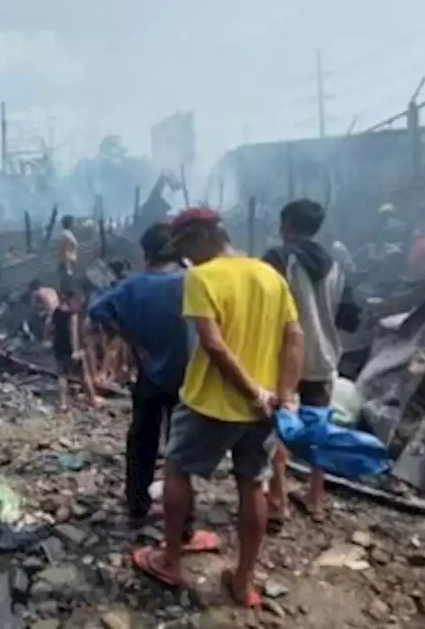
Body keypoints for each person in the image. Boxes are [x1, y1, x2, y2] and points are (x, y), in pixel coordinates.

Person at [131, 207, 303, 610]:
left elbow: (213, 343)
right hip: (261, 411)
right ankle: (242, 583)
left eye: (188, 243)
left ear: (206, 235)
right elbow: (294, 337)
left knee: (177, 471)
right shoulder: (269, 274)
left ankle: (170, 560)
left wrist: (250, 391)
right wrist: (284, 394)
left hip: (212, 402)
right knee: (253, 485)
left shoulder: (202, 277)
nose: (187, 255)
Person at [261, 199, 362, 529]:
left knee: (280, 426)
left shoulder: (277, 258)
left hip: (286, 357)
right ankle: (314, 498)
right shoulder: (336, 264)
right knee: (319, 428)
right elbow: (350, 317)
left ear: (288, 225)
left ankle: (277, 499)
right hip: (324, 358)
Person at [88, 223, 191, 523]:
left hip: (148, 372)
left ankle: (137, 504)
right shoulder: (190, 281)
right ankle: (183, 518)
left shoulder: (133, 285)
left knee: (142, 440)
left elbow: (99, 311)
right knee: (180, 446)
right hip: (187, 374)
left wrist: (132, 339)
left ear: (146, 253)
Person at [51, 288, 102, 411]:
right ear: (71, 300)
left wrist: (52, 341)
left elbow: (50, 328)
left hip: (59, 347)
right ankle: (93, 399)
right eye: (77, 301)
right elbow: (73, 333)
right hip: (71, 349)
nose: (79, 304)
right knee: (84, 375)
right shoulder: (72, 315)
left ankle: (63, 404)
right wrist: (75, 350)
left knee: (62, 376)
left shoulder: (56, 312)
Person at [57, 215, 79, 292]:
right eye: (74, 222)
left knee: (68, 287)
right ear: (70, 223)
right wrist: (68, 268)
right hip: (66, 266)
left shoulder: (69, 234)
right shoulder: (65, 235)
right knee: (66, 288)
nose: (75, 223)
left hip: (69, 264)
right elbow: (65, 251)